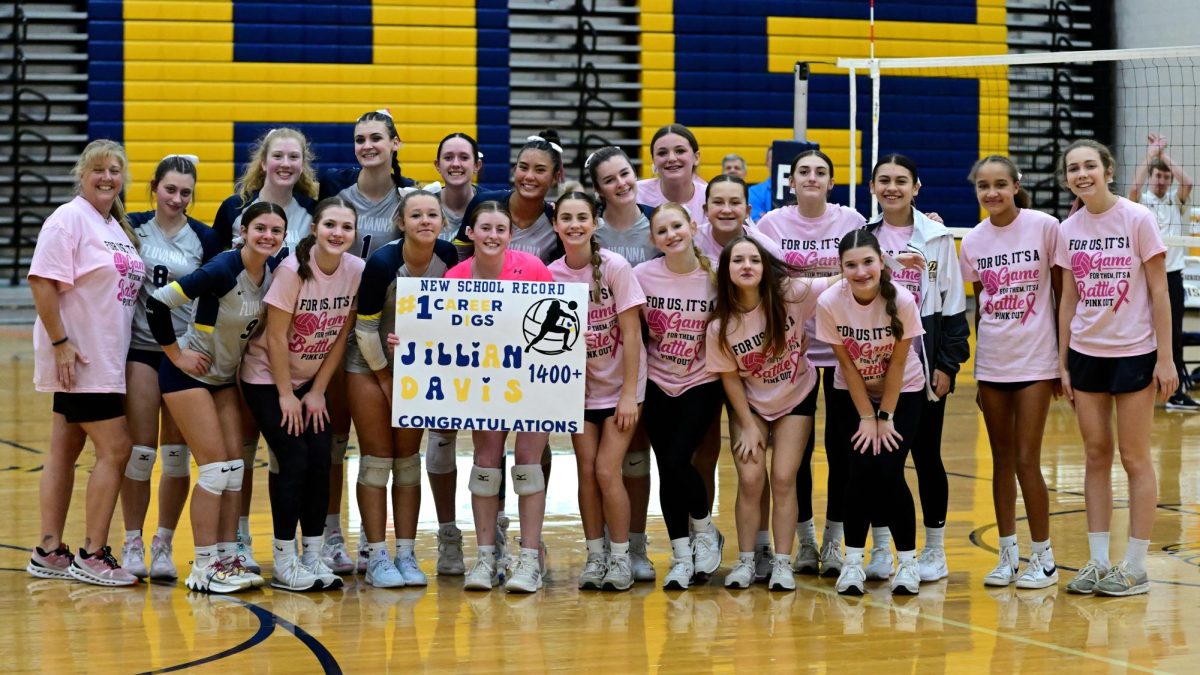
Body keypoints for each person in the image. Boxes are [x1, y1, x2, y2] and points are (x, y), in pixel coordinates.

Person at [145, 201, 287, 593]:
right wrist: (176, 354)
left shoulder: (273, 272)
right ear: (244, 230)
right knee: (213, 470)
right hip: (187, 377)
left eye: (276, 231)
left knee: (235, 468)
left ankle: (227, 557)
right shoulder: (223, 269)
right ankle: (203, 567)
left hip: (225, 379)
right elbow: (158, 302)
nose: (268, 236)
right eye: (261, 228)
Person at [1056, 139, 1176, 597]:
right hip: (1087, 353)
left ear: (1108, 170)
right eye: (1073, 168)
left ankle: (1136, 566)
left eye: (1089, 166)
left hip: (1135, 353)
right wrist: (1064, 361)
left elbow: (1160, 293)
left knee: (1134, 456)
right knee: (1095, 455)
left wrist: (1165, 358)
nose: (1081, 173)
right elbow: (1068, 298)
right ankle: (1098, 561)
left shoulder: (1138, 218)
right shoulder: (1069, 229)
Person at [26, 139, 146, 586]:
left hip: (102, 357)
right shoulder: (69, 219)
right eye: (98, 169)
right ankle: (92, 554)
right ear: (82, 174)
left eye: (115, 170)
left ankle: (48, 549)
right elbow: (41, 282)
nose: (107, 177)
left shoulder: (112, 224)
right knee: (116, 448)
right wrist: (60, 342)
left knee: (65, 446)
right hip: (80, 357)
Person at [239, 196, 365, 592]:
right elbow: (275, 337)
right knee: (293, 458)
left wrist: (318, 391)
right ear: (314, 229)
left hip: (312, 382)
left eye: (346, 227)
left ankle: (312, 555)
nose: (337, 233)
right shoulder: (294, 270)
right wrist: (286, 395)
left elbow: (342, 332)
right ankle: (283, 559)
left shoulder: (355, 269)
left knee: (320, 459)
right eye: (330, 225)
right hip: (266, 378)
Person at [756, 149, 866, 578]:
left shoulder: (851, 222)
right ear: (791, 181)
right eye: (804, 171)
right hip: (792, 352)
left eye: (821, 171)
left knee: (842, 451)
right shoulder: (771, 225)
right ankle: (803, 540)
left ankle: (835, 540)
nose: (812, 177)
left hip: (842, 350)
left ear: (831, 182)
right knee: (795, 456)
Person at [865, 154, 968, 584]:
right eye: (884, 180)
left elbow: (954, 305)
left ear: (916, 187)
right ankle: (883, 548)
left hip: (923, 363)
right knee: (880, 459)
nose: (892, 187)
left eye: (901, 181)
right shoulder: (863, 235)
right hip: (873, 360)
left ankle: (935, 550)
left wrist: (948, 365)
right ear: (873, 187)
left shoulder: (938, 237)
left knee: (926, 456)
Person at [706, 237, 831, 592]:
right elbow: (729, 379)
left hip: (796, 396)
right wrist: (746, 423)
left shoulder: (792, 293)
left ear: (765, 268)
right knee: (749, 479)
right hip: (750, 404)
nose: (747, 266)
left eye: (754, 260)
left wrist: (887, 259)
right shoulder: (720, 326)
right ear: (726, 271)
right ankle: (746, 561)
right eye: (738, 261)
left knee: (782, 477)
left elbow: (841, 279)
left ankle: (782, 563)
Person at [959, 156, 1061, 589]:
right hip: (994, 364)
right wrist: (980, 370)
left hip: (1036, 361)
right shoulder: (974, 241)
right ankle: (1007, 555)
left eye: (1000, 184)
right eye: (984, 186)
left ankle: (1045, 557)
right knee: (1000, 463)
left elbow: (1061, 294)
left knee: (1026, 461)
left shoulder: (1044, 226)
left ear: (1016, 185)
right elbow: (980, 305)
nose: (992, 193)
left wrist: (1063, 364)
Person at [120, 155, 222, 581]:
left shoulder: (204, 238)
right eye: (170, 190)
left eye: (185, 192)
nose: (177, 199)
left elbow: (214, 296)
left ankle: (164, 542)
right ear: (154, 187)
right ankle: (131, 542)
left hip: (184, 356)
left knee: (176, 458)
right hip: (143, 350)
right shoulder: (131, 226)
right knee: (141, 454)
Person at [445, 201, 555, 593]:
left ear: (511, 235)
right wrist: (412, 339)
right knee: (486, 465)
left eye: (501, 229)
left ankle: (528, 559)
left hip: (531, 383)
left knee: (528, 464)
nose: (493, 236)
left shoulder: (535, 269)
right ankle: (486, 557)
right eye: (485, 228)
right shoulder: (456, 276)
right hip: (484, 385)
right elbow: (443, 334)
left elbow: (555, 325)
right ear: (470, 233)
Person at [349, 190, 458, 588]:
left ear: (443, 222)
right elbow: (364, 329)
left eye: (433, 214)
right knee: (378, 460)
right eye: (416, 215)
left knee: (407, 459)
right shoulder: (382, 263)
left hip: (416, 369)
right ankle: (376, 555)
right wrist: (385, 379)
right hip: (369, 363)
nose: (425, 221)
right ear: (402, 223)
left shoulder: (451, 258)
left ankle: (407, 554)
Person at [318, 110, 408, 575]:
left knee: (389, 450)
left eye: (377, 138)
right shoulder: (337, 201)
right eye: (360, 139)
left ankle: (392, 547)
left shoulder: (411, 200)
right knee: (335, 443)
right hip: (338, 338)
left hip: (392, 342)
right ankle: (333, 533)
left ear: (396, 144)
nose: (367, 145)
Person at [818, 229, 926, 596]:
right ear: (841, 268)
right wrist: (866, 416)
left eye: (868, 262)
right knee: (858, 471)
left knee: (889, 469)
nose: (861, 271)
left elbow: (897, 366)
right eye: (851, 265)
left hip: (903, 391)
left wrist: (885, 418)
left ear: (881, 262)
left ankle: (908, 564)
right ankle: (852, 565)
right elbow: (846, 366)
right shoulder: (830, 301)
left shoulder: (903, 300)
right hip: (853, 391)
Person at [548, 192, 647, 592]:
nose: (574, 225)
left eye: (582, 218)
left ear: (595, 224)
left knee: (608, 470)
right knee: (587, 473)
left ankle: (621, 557)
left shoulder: (616, 268)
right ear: (555, 224)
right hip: (578, 392)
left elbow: (633, 334)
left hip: (622, 389)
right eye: (566, 218)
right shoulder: (550, 274)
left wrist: (627, 394)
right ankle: (595, 556)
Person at [634, 203, 721, 590]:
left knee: (677, 458)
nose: (671, 235)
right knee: (667, 469)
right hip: (656, 380)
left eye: (677, 226)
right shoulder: (641, 276)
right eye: (662, 231)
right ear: (654, 239)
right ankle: (682, 556)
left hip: (701, 381)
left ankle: (704, 529)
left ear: (691, 226)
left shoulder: (715, 278)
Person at [586, 145, 658, 581]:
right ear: (598, 190)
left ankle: (636, 544)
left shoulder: (657, 223)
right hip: (599, 362)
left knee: (637, 457)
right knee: (608, 465)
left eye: (626, 173)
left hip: (652, 357)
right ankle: (609, 549)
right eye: (610, 179)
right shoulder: (588, 232)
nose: (621, 184)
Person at [1129, 132, 1197, 410]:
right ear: (1152, 177)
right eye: (1158, 176)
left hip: (1172, 277)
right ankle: (1141, 387)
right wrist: (1151, 156)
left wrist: (1163, 155)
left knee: (1174, 335)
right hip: (1145, 279)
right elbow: (1133, 188)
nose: (1162, 181)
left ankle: (1176, 392)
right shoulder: (1142, 200)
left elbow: (1189, 182)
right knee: (1142, 333)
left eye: (1165, 178)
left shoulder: (1175, 201)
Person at [453, 131, 563, 263]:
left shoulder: (556, 221)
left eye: (540, 170)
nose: (529, 176)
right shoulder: (483, 203)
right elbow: (458, 259)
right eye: (523, 167)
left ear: (556, 177)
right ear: (514, 170)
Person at [212, 127, 318, 251]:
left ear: (302, 165)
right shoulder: (234, 207)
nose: (285, 164)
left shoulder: (313, 211)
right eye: (277, 156)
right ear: (263, 163)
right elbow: (214, 260)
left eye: (293, 157)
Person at [693, 175, 784, 267]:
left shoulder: (767, 249)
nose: (726, 210)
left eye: (735, 202)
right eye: (718, 202)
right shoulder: (691, 242)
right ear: (706, 210)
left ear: (747, 211)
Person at [638, 124, 708, 223]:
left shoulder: (710, 197)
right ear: (653, 160)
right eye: (662, 153)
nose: (671, 158)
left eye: (680, 151)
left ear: (696, 157)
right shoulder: (636, 194)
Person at [430, 132, 483, 242]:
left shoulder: (492, 204)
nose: (455, 164)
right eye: (448, 157)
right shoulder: (423, 206)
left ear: (477, 165)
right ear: (438, 165)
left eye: (464, 158)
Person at [749, 148, 774, 221]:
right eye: (773, 157)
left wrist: (769, 220)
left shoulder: (798, 189)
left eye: (781, 157)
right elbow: (757, 223)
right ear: (767, 163)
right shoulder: (754, 191)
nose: (777, 160)